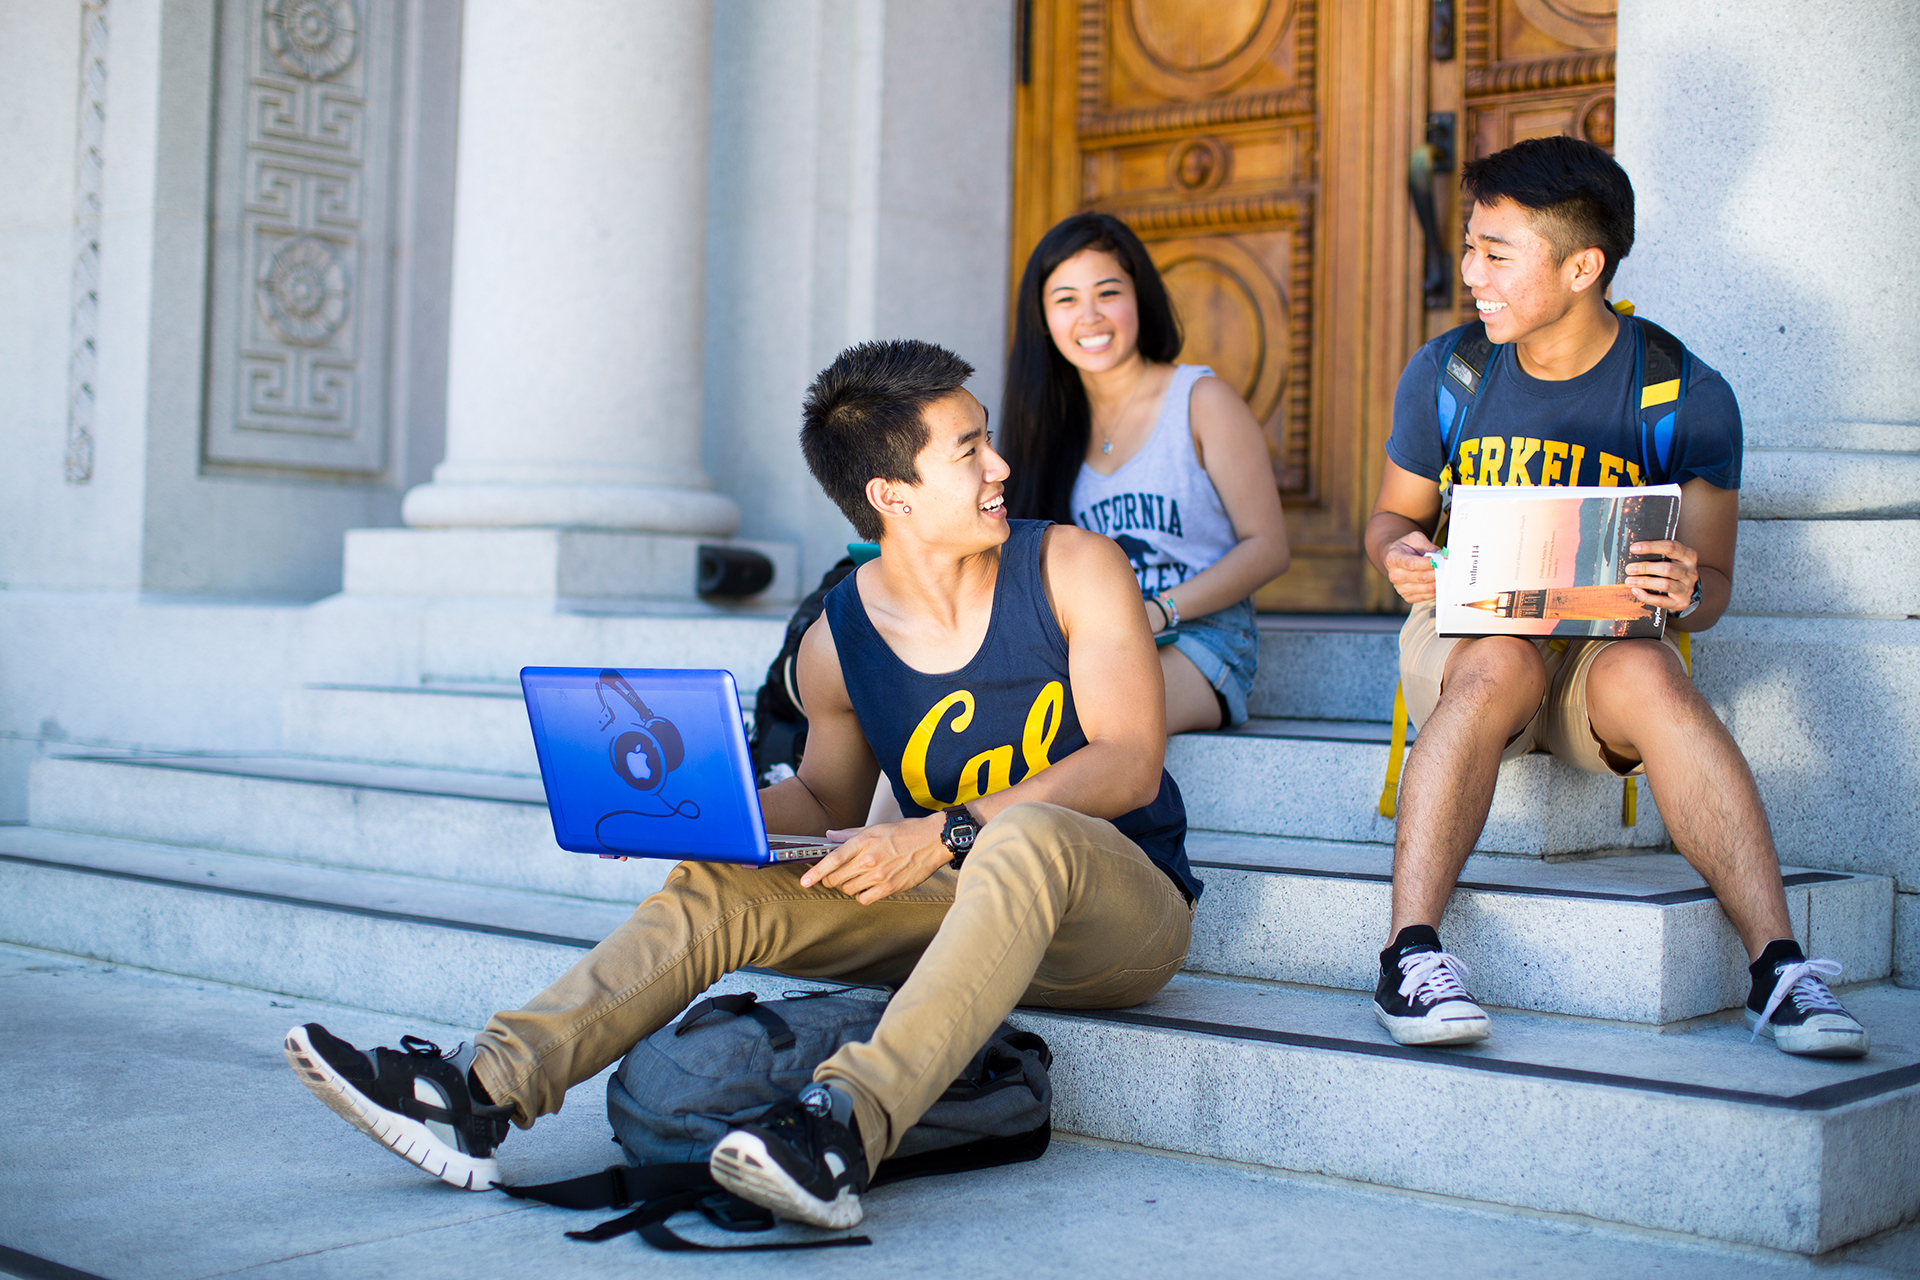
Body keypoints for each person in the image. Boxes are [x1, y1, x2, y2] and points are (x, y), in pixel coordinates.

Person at [284, 339, 1202, 1229]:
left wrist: (945, 831)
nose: (999, 465)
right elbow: (826, 805)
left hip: (1113, 917)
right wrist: (703, 818)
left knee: (1023, 836)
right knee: (720, 886)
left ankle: (842, 1133)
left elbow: (1128, 763)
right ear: (893, 495)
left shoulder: (1072, 568)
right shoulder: (837, 638)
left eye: (986, 439)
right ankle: (481, 1090)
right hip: (959, 908)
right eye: (969, 451)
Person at [1364, 135, 1867, 1059]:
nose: (1470, 273)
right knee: (1498, 661)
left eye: (1494, 253)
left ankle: (1780, 966)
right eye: (1470, 246)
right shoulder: (1451, 371)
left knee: (1655, 676)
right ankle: (1408, 956)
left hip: (1601, 654)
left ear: (1582, 265)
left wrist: (1685, 587)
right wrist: (1399, 550)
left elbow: (1710, 587)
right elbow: (1391, 517)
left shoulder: (1684, 393)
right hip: (1478, 642)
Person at [999, 212, 1291, 733]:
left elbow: (1268, 547)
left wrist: (1159, 610)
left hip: (1200, 639)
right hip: (1090, 642)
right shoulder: (1045, 428)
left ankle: (957, 820)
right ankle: (882, 822)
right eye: (1066, 299)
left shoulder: (1202, 401)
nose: (1089, 316)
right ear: (1043, 319)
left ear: (1139, 298)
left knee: (1056, 726)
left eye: (1107, 293)